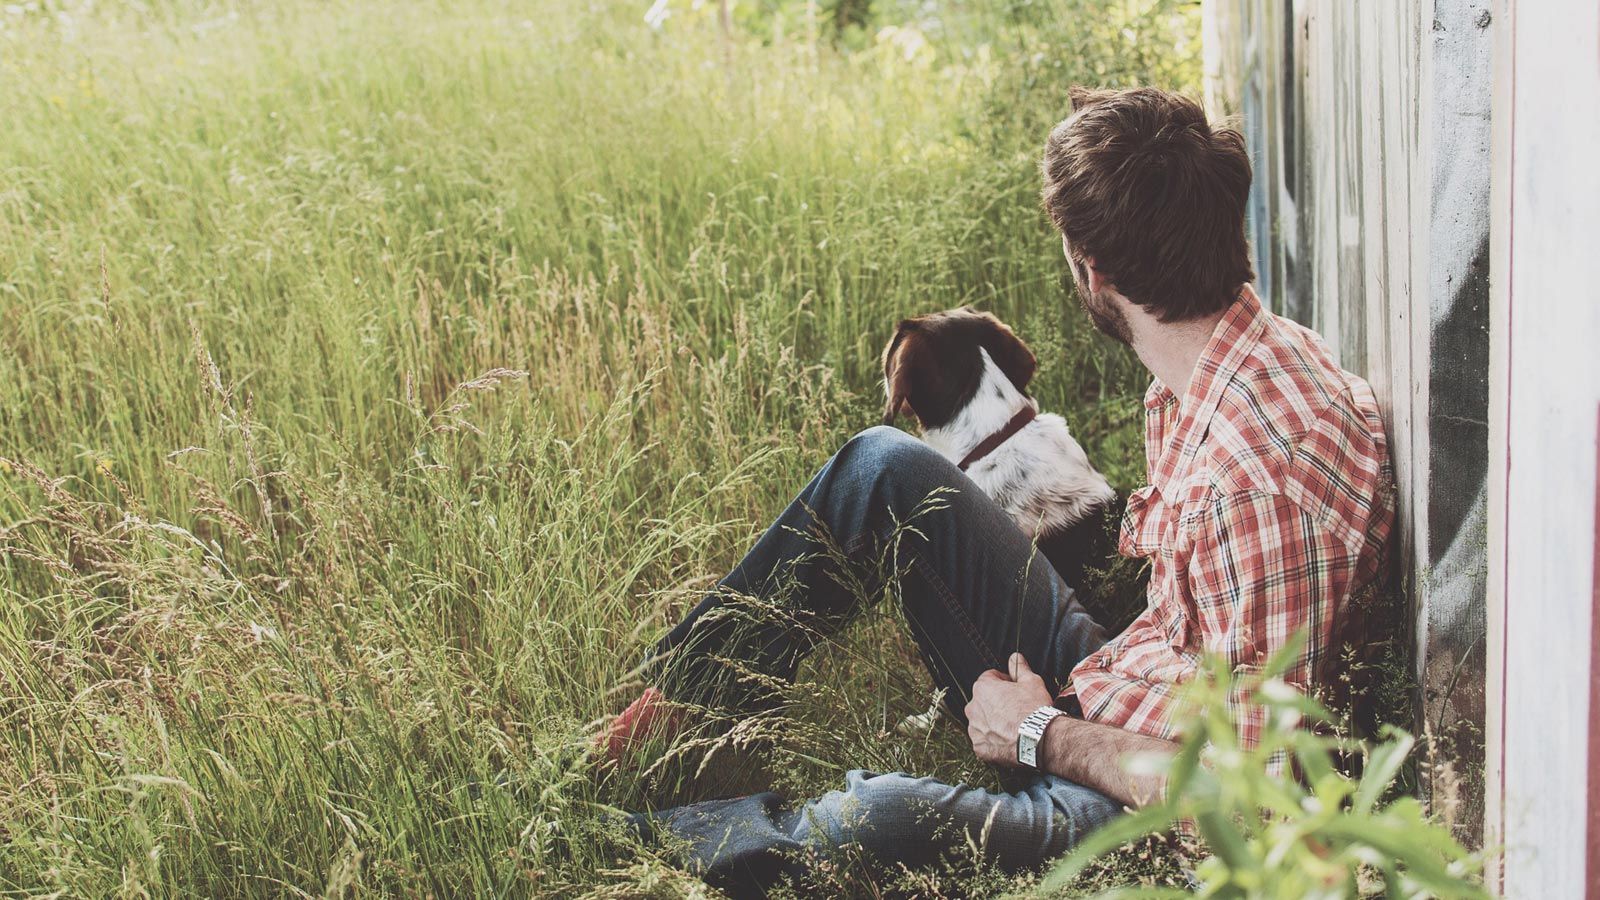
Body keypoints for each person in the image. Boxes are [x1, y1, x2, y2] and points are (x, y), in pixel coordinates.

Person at [596, 86, 1395, 894]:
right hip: (1143, 693)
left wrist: (1041, 733)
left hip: (1151, 813)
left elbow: (1253, 802)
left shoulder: (1252, 483)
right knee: (884, 466)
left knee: (871, 819)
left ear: (1094, 272)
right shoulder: (1235, 361)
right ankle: (668, 717)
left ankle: (615, 844)